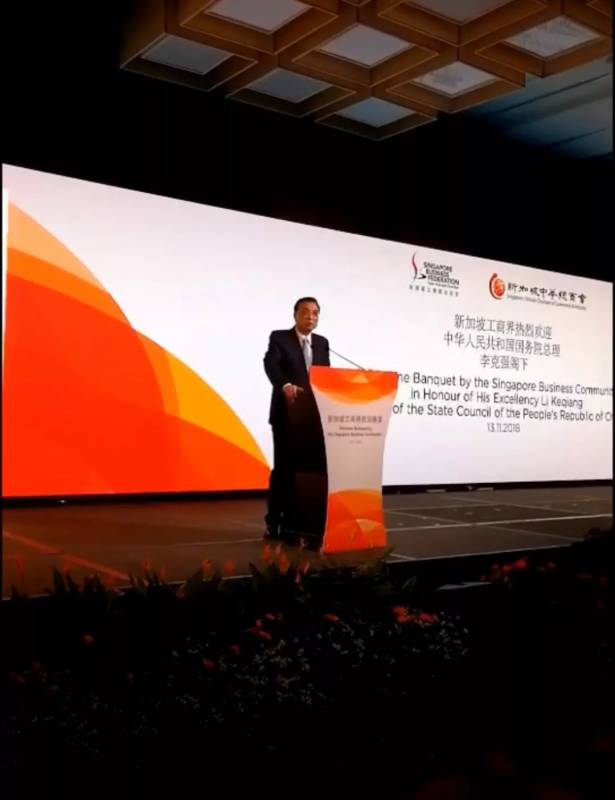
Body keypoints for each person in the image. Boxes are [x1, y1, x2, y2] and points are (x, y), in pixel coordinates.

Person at [263, 297, 330, 541]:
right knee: (284, 470)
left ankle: (300, 526)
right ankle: (274, 523)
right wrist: (285, 385)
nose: (311, 316)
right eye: (305, 312)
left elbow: (327, 376)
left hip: (312, 419)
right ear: (295, 314)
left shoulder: (322, 343)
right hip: (286, 415)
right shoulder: (280, 338)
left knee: (309, 473)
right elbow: (271, 364)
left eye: (315, 313)